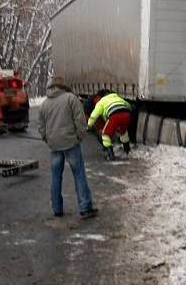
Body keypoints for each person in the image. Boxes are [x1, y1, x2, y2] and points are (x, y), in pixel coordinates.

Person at [37, 76, 98, 219]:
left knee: (56, 177)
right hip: (71, 143)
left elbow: (41, 127)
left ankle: (57, 209)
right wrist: (79, 137)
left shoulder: (45, 104)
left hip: (54, 146)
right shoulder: (71, 98)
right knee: (79, 174)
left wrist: (48, 139)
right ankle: (85, 208)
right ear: (64, 86)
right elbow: (80, 120)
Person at [87, 89, 132, 161]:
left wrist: (89, 124)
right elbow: (128, 105)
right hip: (126, 114)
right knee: (123, 132)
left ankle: (110, 154)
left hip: (114, 115)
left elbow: (94, 115)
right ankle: (127, 150)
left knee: (105, 134)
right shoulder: (118, 97)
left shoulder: (101, 101)